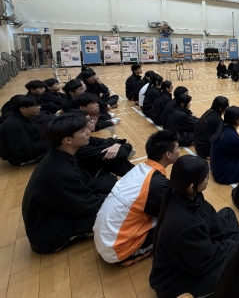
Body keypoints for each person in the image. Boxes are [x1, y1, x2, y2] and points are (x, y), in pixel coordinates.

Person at [22, 112, 115, 254]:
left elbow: (87, 181)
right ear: (68, 140)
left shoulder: (60, 155)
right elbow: (87, 205)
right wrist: (116, 197)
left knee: (109, 183)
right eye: (83, 131)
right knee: (116, 209)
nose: (88, 132)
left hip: (55, 214)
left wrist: (114, 185)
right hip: (47, 236)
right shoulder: (59, 171)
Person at [149, 155, 239, 298]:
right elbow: (204, 261)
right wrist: (233, 245)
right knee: (235, 265)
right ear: (191, 186)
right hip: (177, 282)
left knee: (228, 214)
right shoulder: (184, 223)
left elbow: (214, 220)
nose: (208, 178)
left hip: (196, 252)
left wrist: (238, 241)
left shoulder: (189, 195)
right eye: (205, 177)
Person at [93, 130, 178, 266]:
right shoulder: (156, 184)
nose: (179, 151)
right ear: (168, 154)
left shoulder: (141, 169)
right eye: (178, 148)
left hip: (105, 237)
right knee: (175, 226)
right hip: (117, 251)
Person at [74, 109, 134, 177]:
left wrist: (117, 145)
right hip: (94, 177)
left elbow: (114, 142)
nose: (92, 121)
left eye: (91, 118)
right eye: (89, 120)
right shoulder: (80, 150)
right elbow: (120, 153)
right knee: (113, 159)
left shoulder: (87, 139)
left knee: (112, 154)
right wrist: (124, 145)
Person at [210, 107, 239, 184]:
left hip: (218, 168)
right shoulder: (233, 137)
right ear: (236, 120)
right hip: (225, 175)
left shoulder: (222, 127)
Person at [0, 95, 48, 166]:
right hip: (22, 158)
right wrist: (49, 143)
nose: (39, 107)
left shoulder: (28, 117)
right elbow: (24, 150)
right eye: (36, 106)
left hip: (34, 147)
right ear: (23, 109)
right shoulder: (14, 125)